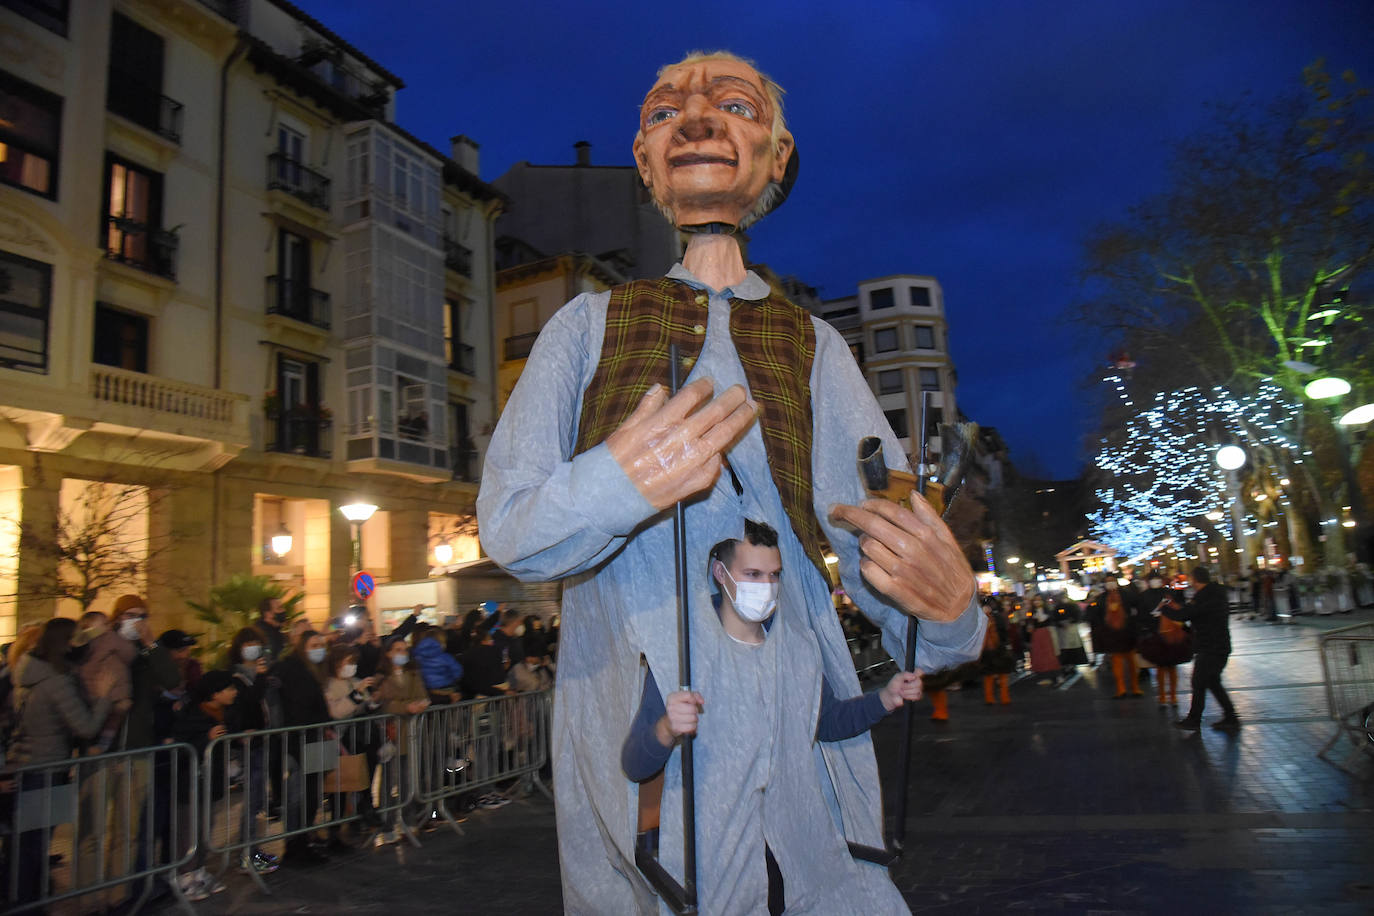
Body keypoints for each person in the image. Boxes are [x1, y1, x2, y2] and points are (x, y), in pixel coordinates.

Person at [478, 49, 983, 914]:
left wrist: (950, 615)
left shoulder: (814, 344)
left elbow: (887, 531)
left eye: (736, 105)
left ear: (775, 157)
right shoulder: (586, 324)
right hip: (639, 722)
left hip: (794, 724)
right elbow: (511, 529)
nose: (700, 119)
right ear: (644, 160)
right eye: (666, 111)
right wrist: (617, 483)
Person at [620, 521, 923, 913]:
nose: (765, 586)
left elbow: (825, 722)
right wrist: (664, 729)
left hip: (793, 847)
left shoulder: (795, 650)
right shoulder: (682, 657)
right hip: (717, 857)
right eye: (752, 574)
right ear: (720, 573)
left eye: (773, 575)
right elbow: (634, 763)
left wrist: (884, 698)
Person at [7, 618, 117, 908]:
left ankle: (22, 898)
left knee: (25, 843)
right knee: (35, 845)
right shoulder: (56, 682)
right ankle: (28, 903)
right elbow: (85, 727)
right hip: (48, 767)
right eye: (74, 639)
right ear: (63, 643)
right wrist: (105, 699)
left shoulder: (25, 671)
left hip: (25, 763)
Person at [170, 670, 238, 901]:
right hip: (190, 783)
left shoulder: (223, 714)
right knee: (187, 829)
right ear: (215, 693)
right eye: (229, 688)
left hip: (210, 782)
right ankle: (183, 876)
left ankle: (199, 870)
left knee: (205, 826)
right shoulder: (193, 715)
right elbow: (181, 747)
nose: (234, 693)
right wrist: (205, 739)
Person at [273, 629, 333, 865]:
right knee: (299, 795)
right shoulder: (293, 669)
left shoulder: (314, 670)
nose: (319, 648)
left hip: (314, 738)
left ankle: (304, 841)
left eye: (321, 644)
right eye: (314, 644)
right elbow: (298, 707)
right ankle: (295, 846)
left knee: (311, 794)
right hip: (300, 740)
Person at [225, 628, 279, 875]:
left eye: (257, 644)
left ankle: (252, 850)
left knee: (257, 799)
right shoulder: (236, 676)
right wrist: (259, 676)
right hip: (247, 744)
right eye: (249, 644)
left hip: (260, 740)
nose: (253, 648)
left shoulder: (259, 674)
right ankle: (248, 854)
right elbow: (248, 700)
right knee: (252, 799)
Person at [1162, 567, 1238, 730]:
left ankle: (1194, 719)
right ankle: (1230, 717)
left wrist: (1163, 609)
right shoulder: (1214, 594)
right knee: (1212, 682)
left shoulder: (1205, 597)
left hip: (1211, 647)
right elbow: (1196, 616)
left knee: (1198, 682)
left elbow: (1186, 614)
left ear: (1195, 579)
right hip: (1216, 645)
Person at [323, 644, 380, 848]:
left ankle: (363, 810)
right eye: (348, 662)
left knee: (363, 775)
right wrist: (356, 695)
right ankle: (335, 828)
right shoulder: (329, 685)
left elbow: (363, 706)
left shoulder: (356, 682)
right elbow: (337, 711)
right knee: (339, 785)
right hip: (340, 741)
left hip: (362, 740)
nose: (351, 666)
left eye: (353, 662)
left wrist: (373, 701)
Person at [374, 638, 430, 843]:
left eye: (404, 650)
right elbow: (385, 704)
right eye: (398, 650)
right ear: (388, 653)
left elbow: (421, 696)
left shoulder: (413, 673)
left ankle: (408, 820)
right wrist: (405, 707)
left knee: (408, 780)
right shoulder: (382, 677)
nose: (402, 653)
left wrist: (411, 704)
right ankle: (387, 823)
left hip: (410, 734)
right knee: (389, 780)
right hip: (391, 734)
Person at [1090, 578, 1142, 698]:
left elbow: (1137, 606)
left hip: (1127, 632)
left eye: (1112, 581)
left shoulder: (1126, 595)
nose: (1110, 583)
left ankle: (1135, 688)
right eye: (1107, 581)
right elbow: (1096, 615)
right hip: (1111, 633)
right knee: (1116, 662)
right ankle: (1121, 689)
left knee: (1132, 662)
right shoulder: (1102, 598)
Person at [411, 624, 464, 703]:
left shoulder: (418, 658)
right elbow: (457, 672)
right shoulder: (445, 657)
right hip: (447, 691)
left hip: (431, 693)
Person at [979, 598, 1013, 705]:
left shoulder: (991, 618)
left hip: (994, 649)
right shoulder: (983, 619)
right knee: (994, 674)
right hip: (992, 649)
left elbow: (1003, 632)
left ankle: (997, 697)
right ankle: (996, 698)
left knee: (996, 674)